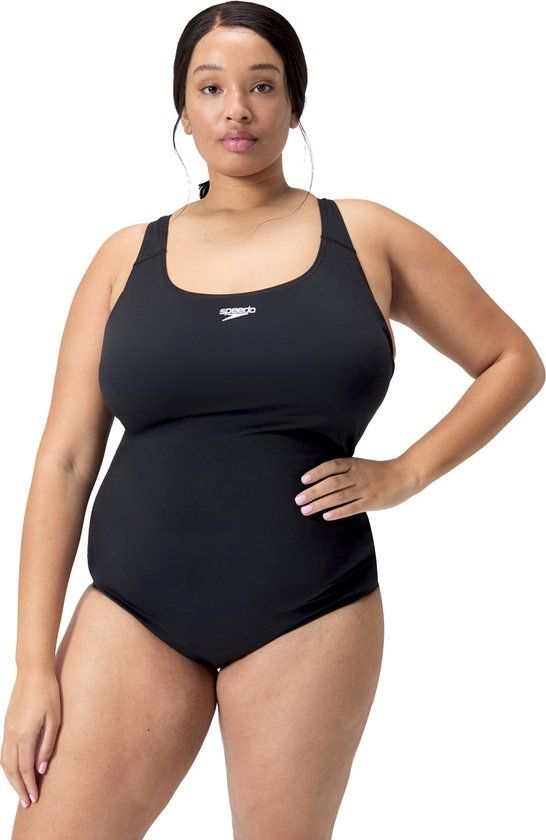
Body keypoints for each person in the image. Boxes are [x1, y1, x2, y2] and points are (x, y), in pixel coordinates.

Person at [3, 2, 544, 837]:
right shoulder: (124, 257)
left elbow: (512, 360)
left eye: (262, 86)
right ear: (182, 109)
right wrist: (32, 666)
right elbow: (66, 460)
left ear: (295, 104)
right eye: (210, 87)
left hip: (309, 608)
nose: (237, 109)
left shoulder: (366, 236)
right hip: (133, 607)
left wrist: (405, 473)